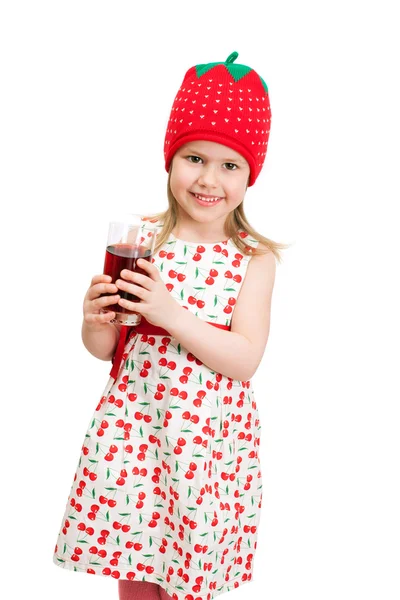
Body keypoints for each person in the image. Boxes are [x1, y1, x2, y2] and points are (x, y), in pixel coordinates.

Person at [52, 51, 289, 600]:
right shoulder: (140, 240)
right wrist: (93, 321)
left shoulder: (252, 259)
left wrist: (171, 313)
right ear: (170, 159)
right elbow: (109, 346)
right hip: (136, 437)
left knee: (191, 579)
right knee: (136, 572)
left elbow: (244, 358)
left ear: (250, 174)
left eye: (230, 165)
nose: (209, 179)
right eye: (194, 158)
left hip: (207, 446)